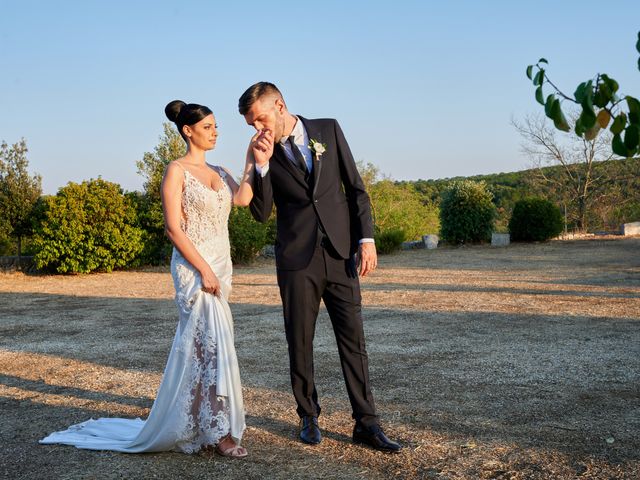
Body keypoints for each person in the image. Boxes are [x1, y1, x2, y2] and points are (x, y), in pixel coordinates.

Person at [40, 100, 258, 457]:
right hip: (195, 267)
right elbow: (174, 228)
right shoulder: (176, 170)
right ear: (188, 131)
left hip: (222, 263)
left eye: (216, 127)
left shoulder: (220, 170)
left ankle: (204, 421)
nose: (215, 132)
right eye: (208, 127)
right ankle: (219, 432)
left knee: (213, 344)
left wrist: (253, 158)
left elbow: (243, 200)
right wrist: (202, 269)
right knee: (208, 343)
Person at [239, 82, 402, 453]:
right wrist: (261, 167)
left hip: (341, 254)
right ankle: (308, 416)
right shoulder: (261, 151)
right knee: (300, 340)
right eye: (251, 125)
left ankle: (367, 423)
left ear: (279, 105)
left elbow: (355, 189)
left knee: (354, 342)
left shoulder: (327, 129)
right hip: (297, 261)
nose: (257, 129)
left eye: (260, 119)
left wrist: (366, 240)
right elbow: (261, 213)